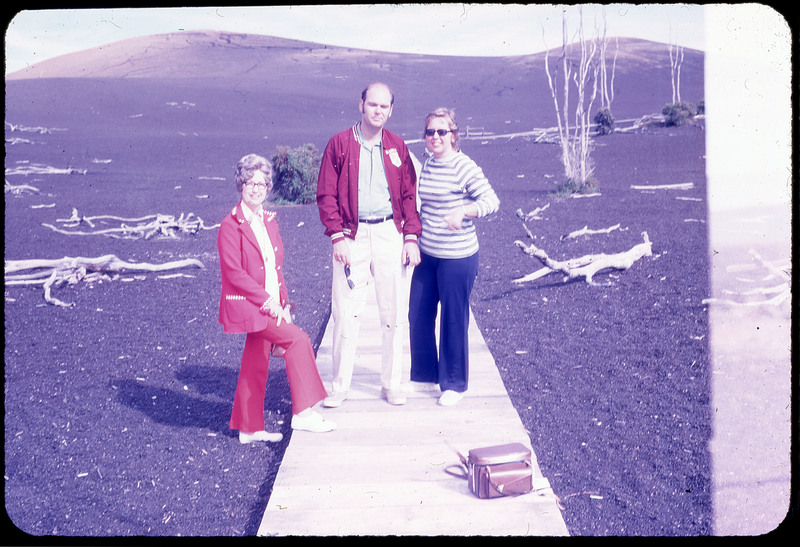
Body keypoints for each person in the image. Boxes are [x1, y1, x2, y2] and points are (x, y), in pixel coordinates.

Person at [316, 82, 422, 407]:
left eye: (384, 106)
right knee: (346, 312)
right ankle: (340, 386)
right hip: (352, 235)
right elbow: (326, 193)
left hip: (390, 233)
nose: (377, 111)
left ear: (391, 110)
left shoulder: (397, 146)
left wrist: (411, 237)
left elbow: (408, 195)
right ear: (360, 104)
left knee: (394, 312)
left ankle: (392, 384)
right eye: (372, 104)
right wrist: (337, 235)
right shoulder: (340, 144)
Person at [218, 153, 335, 443]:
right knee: (298, 341)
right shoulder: (230, 225)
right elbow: (235, 274)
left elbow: (274, 267)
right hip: (251, 305)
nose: (256, 189)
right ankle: (304, 413)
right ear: (240, 185)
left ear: (269, 187)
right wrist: (268, 302)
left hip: (270, 304)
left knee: (255, 360)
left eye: (262, 183)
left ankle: (248, 428)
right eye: (249, 182)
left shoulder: (268, 221)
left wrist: (283, 301)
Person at [408, 108, 500, 406]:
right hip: (428, 254)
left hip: (457, 258)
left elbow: (491, 201)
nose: (435, 137)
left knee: (452, 318)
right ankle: (425, 375)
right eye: (430, 132)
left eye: (442, 132)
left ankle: (454, 384)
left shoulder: (463, 166)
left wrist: (464, 210)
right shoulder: (429, 165)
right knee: (418, 314)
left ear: (453, 135)